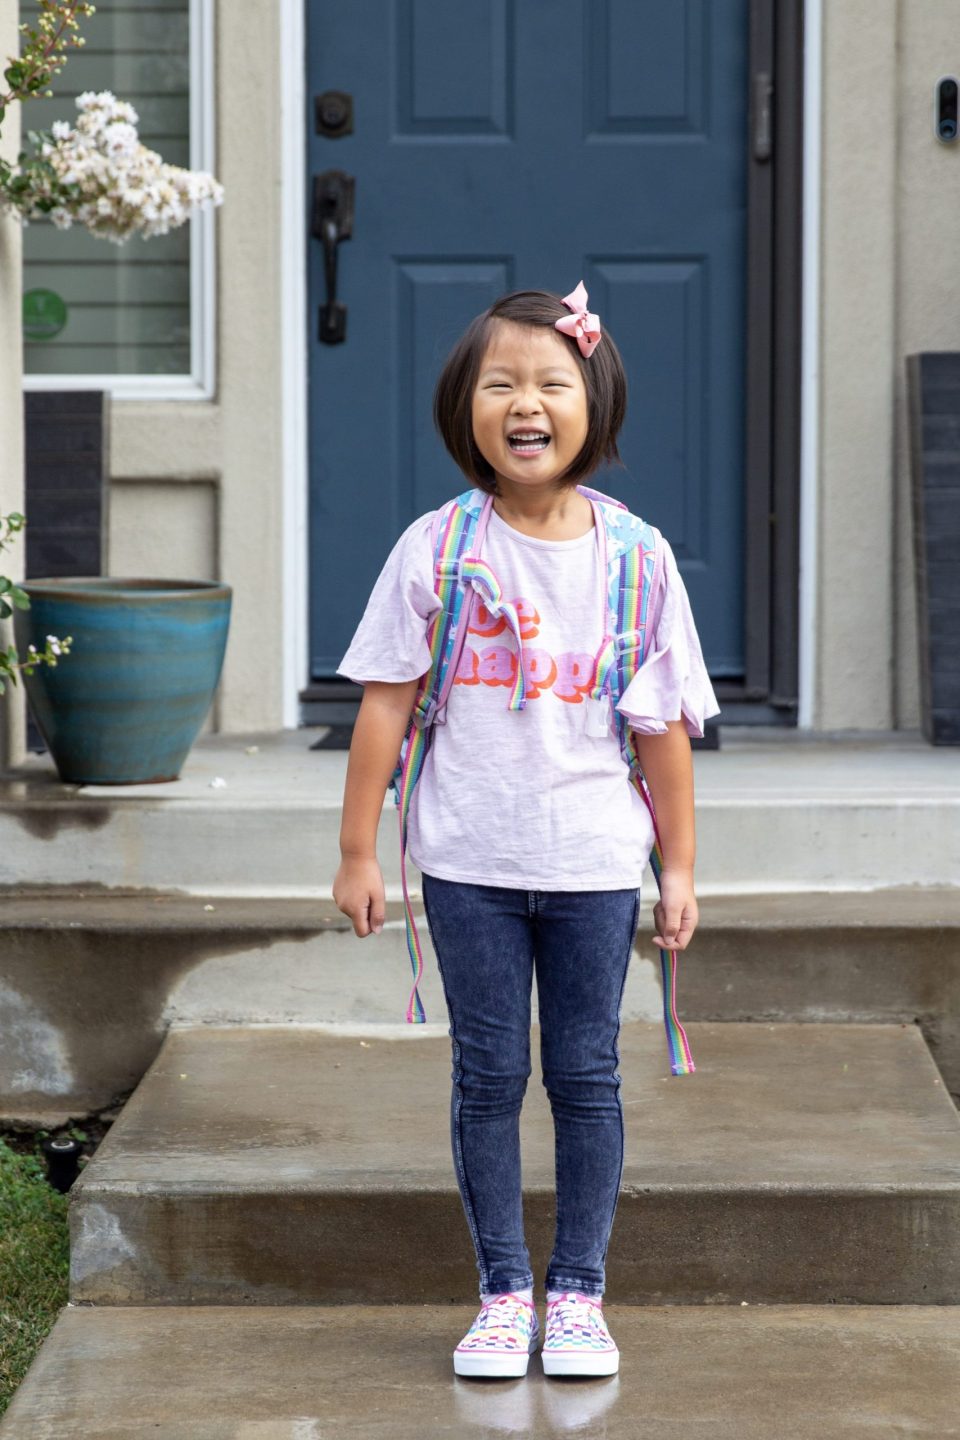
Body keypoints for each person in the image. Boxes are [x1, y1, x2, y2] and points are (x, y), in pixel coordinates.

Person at [333, 282, 720, 1380]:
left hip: (596, 863)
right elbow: (383, 705)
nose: (526, 403)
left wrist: (679, 867)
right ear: (467, 409)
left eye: (551, 382)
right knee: (489, 1074)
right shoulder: (439, 548)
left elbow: (663, 731)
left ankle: (581, 1294)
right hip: (467, 862)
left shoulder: (637, 560)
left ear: (594, 403)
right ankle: (505, 1290)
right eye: (500, 383)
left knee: (588, 1075)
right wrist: (360, 850)